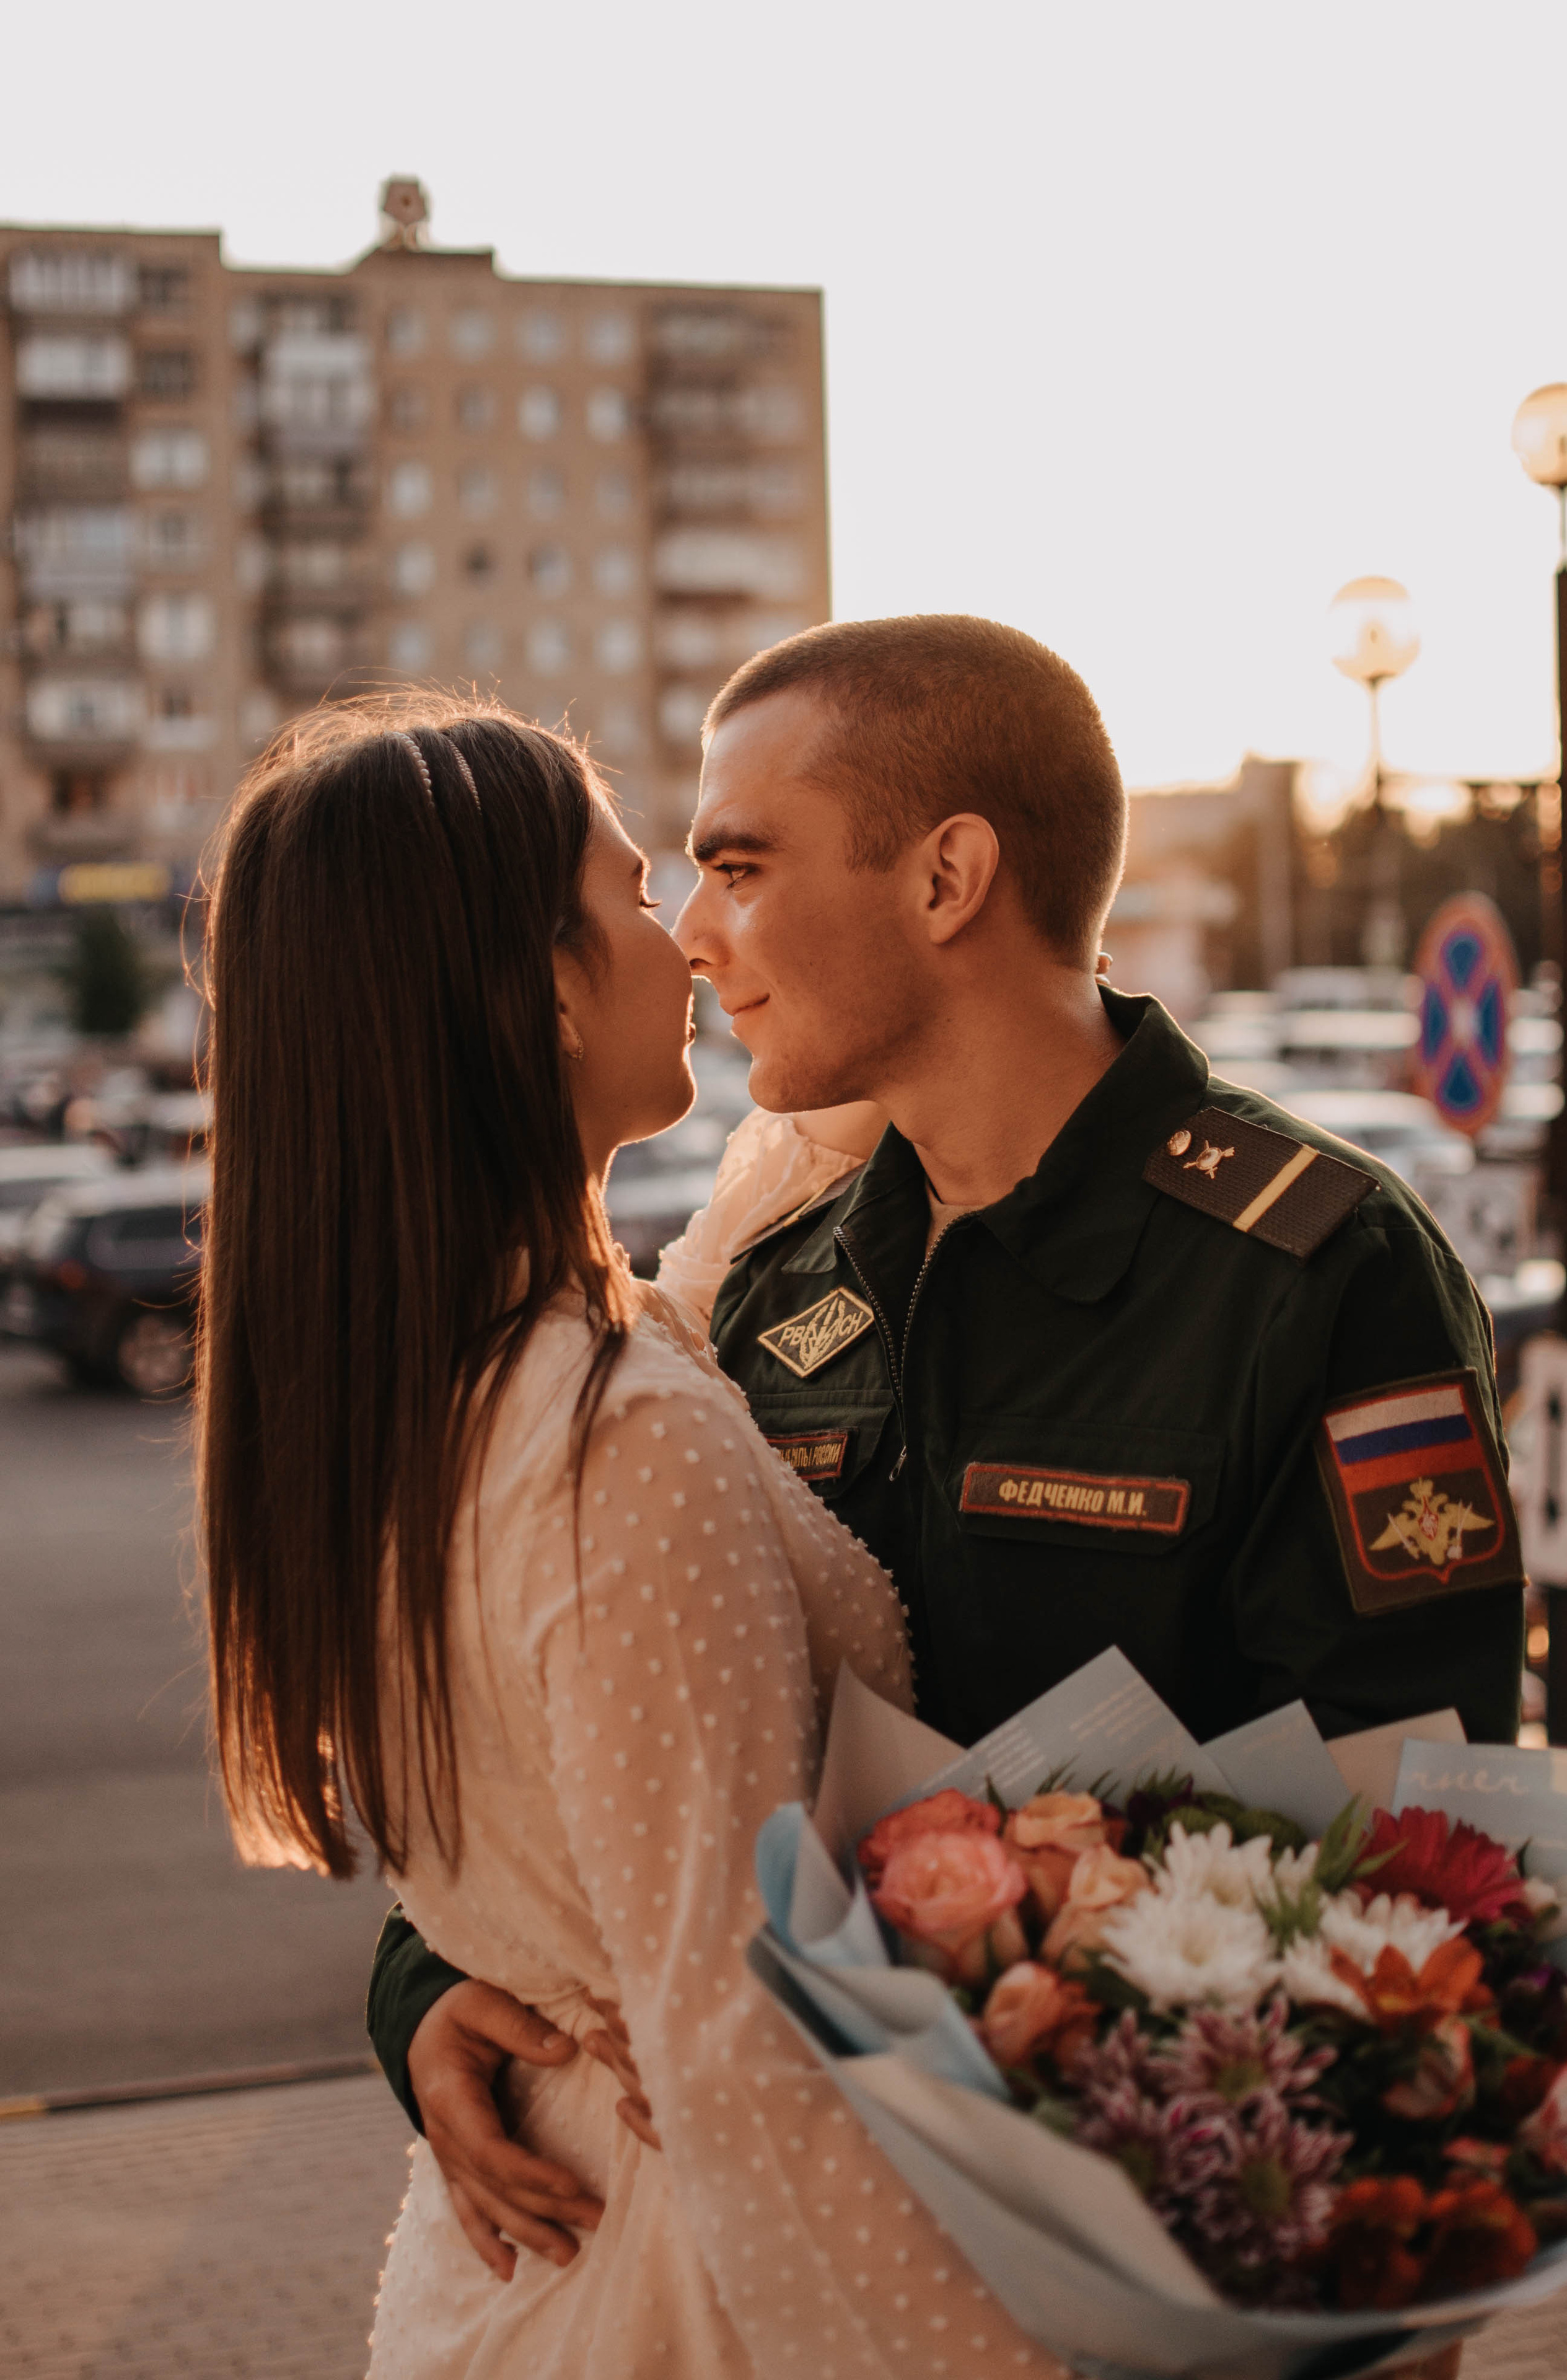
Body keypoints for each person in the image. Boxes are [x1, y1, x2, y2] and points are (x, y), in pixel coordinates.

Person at [366, 617, 1524, 2295]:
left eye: (743, 867)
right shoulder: (773, 1289)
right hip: (812, 2236)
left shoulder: (1315, 1267)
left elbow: (1417, 1824)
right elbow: (602, 1718)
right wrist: (423, 1990)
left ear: (947, 878)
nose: (695, 934)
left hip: (1149, 2243)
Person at [200, 694, 1064, 2378]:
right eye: (634, 892)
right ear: (532, 982)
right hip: (702, 2289)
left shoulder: (419, 1379)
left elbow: (746, 1211)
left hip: (536, 2260)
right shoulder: (613, 1439)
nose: (684, 937)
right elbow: (749, 2058)